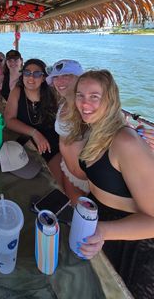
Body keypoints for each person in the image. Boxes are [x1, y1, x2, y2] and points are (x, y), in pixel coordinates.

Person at [67, 70, 154, 299]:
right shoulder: (93, 129)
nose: (85, 103)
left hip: (133, 244)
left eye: (94, 96)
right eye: (80, 95)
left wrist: (104, 230)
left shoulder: (125, 141)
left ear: (111, 99)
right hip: (101, 225)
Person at [4, 58, 62, 185]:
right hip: (27, 140)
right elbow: (9, 120)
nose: (31, 77)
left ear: (43, 78)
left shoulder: (53, 93)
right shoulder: (17, 91)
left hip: (52, 143)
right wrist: (35, 133)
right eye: (27, 72)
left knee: (58, 179)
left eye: (37, 74)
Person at [46, 59, 89, 202]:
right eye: (56, 77)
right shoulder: (63, 103)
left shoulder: (88, 108)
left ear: (80, 78)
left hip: (85, 179)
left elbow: (112, 124)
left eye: (66, 76)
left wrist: (138, 133)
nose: (59, 81)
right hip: (65, 165)